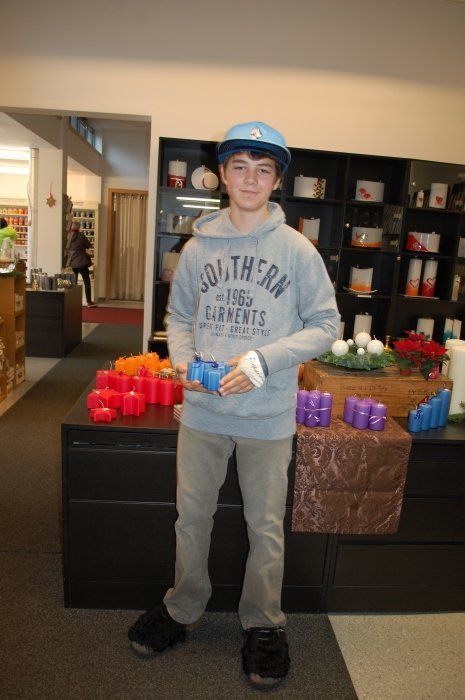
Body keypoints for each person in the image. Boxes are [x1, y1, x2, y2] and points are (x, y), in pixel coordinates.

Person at [128, 121, 340, 686]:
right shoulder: (197, 248)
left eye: (263, 169)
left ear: (277, 180)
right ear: (222, 174)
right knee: (191, 518)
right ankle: (182, 607)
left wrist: (262, 361)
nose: (250, 179)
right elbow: (179, 318)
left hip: (267, 418)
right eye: (240, 167)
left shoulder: (297, 251)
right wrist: (182, 362)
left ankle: (264, 624)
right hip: (203, 414)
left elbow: (326, 325)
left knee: (264, 527)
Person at [65, 222, 96, 306]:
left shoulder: (68, 236)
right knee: (86, 282)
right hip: (82, 262)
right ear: (79, 227)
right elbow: (88, 245)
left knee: (73, 283)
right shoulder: (81, 235)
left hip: (72, 262)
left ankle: (73, 302)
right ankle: (89, 301)